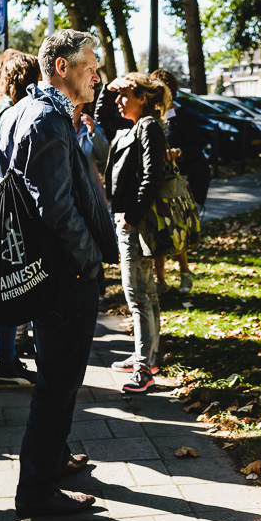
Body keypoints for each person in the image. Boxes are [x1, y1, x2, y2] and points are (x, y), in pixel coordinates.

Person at [0, 29, 117, 517]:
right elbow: (56, 207)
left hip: (55, 267)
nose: (97, 75)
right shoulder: (44, 118)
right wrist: (87, 258)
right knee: (58, 382)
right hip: (63, 272)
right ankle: (37, 491)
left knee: (58, 377)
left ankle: (54, 460)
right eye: (89, 65)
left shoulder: (27, 110)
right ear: (62, 67)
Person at [104, 73, 171, 394]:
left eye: (124, 95)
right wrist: (113, 87)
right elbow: (103, 114)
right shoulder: (138, 126)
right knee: (146, 293)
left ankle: (144, 368)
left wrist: (130, 217)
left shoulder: (148, 127)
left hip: (136, 224)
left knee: (137, 296)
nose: (118, 101)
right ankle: (147, 356)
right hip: (131, 221)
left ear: (142, 98)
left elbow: (151, 177)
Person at [0, 52, 41, 388]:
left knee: (8, 283)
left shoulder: (5, 109)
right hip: (15, 214)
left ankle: (8, 358)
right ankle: (6, 362)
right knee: (13, 285)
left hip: (1, 211)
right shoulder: (16, 111)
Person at [150, 68, 208, 294]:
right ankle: (160, 280)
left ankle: (184, 273)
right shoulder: (150, 116)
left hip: (179, 181)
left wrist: (178, 153)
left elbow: (197, 147)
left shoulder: (185, 116)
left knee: (177, 227)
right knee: (158, 229)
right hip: (155, 180)